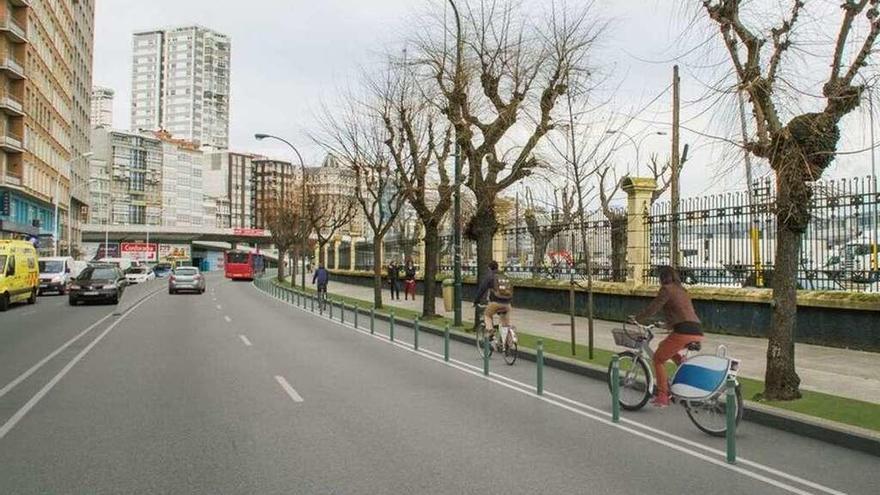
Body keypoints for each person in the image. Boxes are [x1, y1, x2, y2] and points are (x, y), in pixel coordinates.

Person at [633, 265, 704, 408]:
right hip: (696, 330)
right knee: (663, 347)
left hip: (683, 331)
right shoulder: (682, 290)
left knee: (658, 359)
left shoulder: (666, 289)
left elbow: (653, 308)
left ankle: (663, 396)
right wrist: (665, 325)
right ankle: (682, 368)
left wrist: (637, 318)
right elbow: (681, 311)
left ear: (662, 278)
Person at [473, 260, 513, 339]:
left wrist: (476, 301)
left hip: (495, 302)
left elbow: (482, 289)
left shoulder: (490, 276)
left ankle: (490, 331)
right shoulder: (504, 276)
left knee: (487, 315)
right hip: (507, 303)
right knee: (505, 323)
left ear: (489, 268)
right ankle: (506, 343)